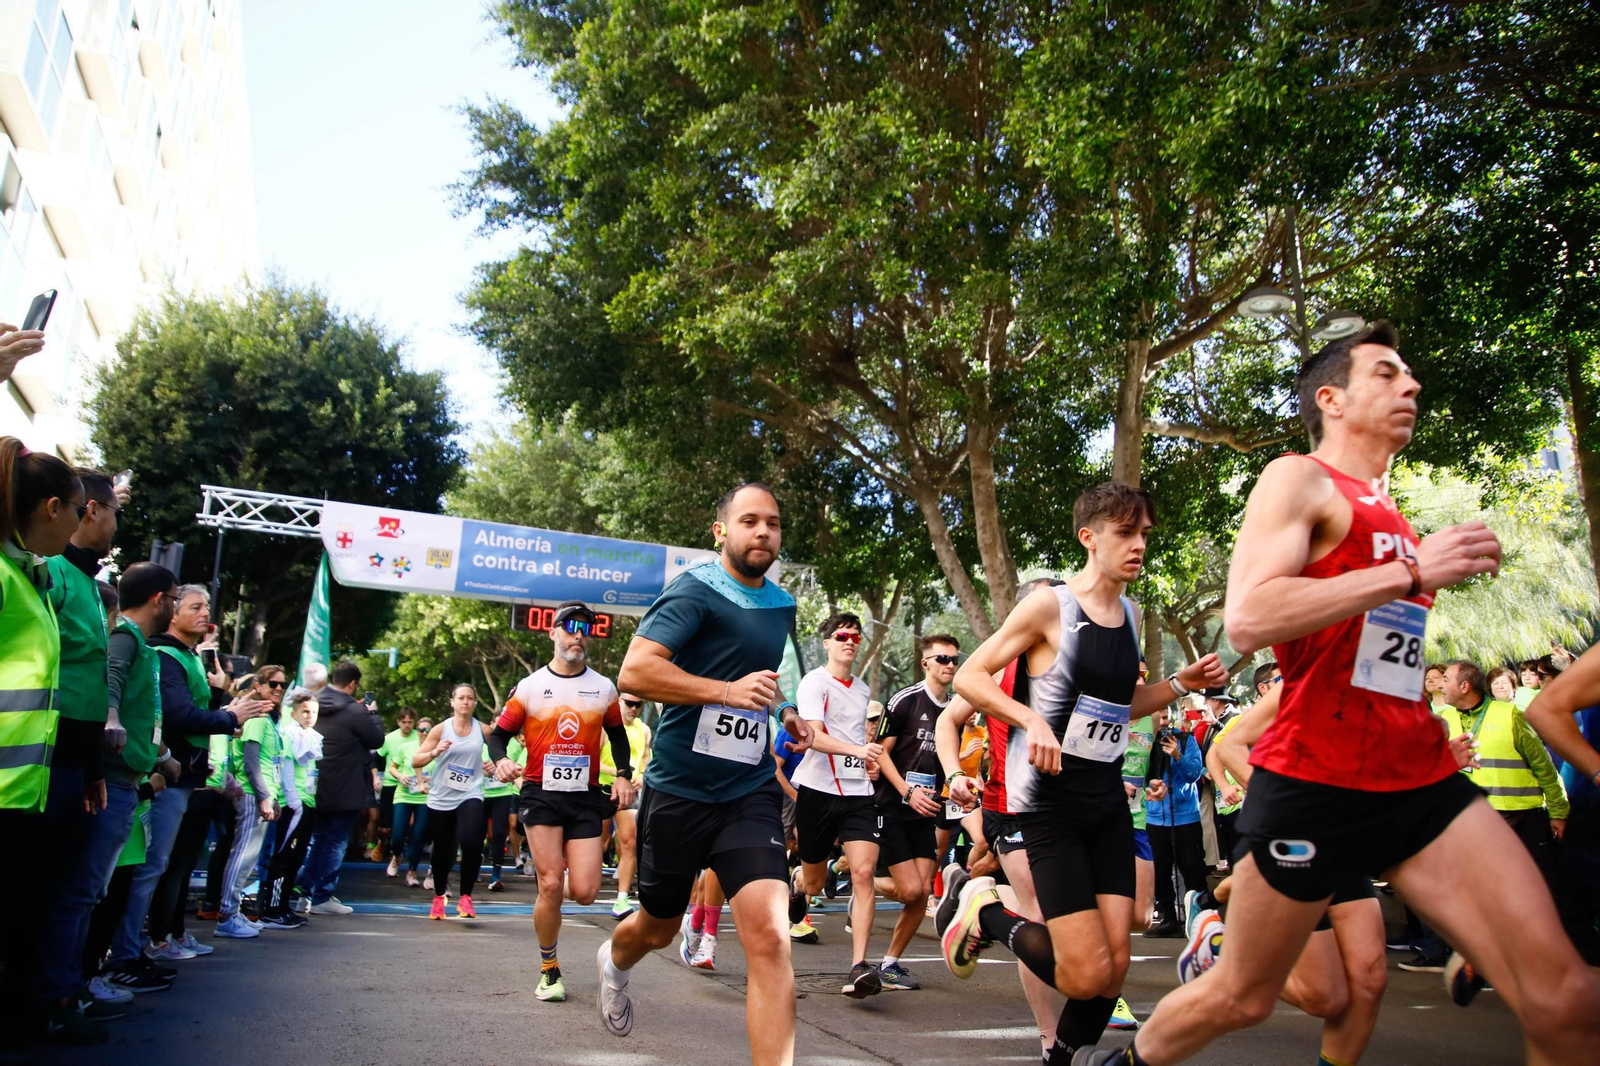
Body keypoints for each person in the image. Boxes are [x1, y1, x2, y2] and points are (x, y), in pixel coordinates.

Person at [1072, 321, 1600, 1066]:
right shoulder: (1299, 479)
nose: (1410, 384)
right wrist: (1411, 572)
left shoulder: (1389, 511)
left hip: (1417, 778)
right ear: (1333, 400)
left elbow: (1375, 656)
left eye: (1408, 373)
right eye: (1386, 373)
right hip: (1315, 786)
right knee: (1245, 996)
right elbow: (1249, 617)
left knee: (1565, 1001)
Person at [935, 481, 1226, 1065]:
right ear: (1089, 538)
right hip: (1050, 811)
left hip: (1106, 806)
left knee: (1113, 971)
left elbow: (1121, 706)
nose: (1139, 545)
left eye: (1144, 534)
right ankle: (982, 911)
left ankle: (1063, 1059)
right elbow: (969, 676)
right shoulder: (1051, 606)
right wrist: (1029, 719)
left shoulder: (1131, 613)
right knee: (1082, 972)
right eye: (1125, 533)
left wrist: (1178, 685)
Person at [598, 482, 811, 1065]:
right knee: (658, 929)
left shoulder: (781, 604)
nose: (763, 531)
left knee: (771, 937)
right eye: (749, 520)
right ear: (721, 532)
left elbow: (766, 679)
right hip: (681, 790)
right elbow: (635, 673)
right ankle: (613, 962)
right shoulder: (695, 588)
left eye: (772, 522)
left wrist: (787, 713)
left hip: (749, 791)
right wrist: (724, 692)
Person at [1191, 677, 1393, 1065]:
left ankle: (1211, 912)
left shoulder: (1385, 680)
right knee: (1323, 997)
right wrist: (1280, 802)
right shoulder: (1303, 683)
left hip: (1344, 843)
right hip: (1297, 843)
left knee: (1370, 977)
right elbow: (1227, 747)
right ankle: (1225, 952)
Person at [489, 602, 634, 1003]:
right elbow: (498, 736)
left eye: (585, 629)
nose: (578, 636)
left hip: (585, 796)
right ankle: (549, 969)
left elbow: (617, 736)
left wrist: (624, 773)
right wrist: (501, 761)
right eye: (570, 627)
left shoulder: (603, 688)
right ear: (552, 632)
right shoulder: (530, 686)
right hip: (541, 793)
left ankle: (552, 889)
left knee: (585, 891)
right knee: (551, 883)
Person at [0, 440, 90, 1042]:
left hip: (21, 792)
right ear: (52, 508)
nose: (82, 524)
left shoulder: (27, 577)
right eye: (79, 511)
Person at [1437, 659, 1599, 966]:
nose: (1441, 684)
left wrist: (1558, 812)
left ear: (1464, 686)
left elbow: (1544, 768)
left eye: (1446, 679)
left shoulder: (1510, 715)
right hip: (1475, 824)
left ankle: (1588, 958)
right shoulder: (1444, 719)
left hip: (1525, 820)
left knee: (1553, 891)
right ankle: (1497, 964)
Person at [145, 585, 269, 957]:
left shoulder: (187, 657)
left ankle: (170, 933)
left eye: (207, 606)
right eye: (195, 606)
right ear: (171, 611)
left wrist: (218, 699)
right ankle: (150, 941)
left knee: (178, 864)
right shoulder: (164, 654)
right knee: (158, 865)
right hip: (167, 775)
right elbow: (180, 716)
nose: (205, 613)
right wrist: (230, 716)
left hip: (191, 777)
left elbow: (196, 714)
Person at [92, 564, 186, 997]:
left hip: (131, 781)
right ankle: (82, 980)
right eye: (176, 599)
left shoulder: (143, 646)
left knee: (107, 886)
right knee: (91, 890)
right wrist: (110, 717)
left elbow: (145, 715)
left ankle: (90, 975)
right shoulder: (126, 637)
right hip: (115, 780)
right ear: (158, 600)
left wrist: (163, 757)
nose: (176, 607)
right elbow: (110, 679)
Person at [786, 613, 886, 997]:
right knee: (814, 881)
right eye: (842, 636)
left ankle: (859, 965)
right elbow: (813, 736)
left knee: (864, 873)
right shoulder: (815, 682)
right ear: (827, 642)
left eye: (856, 637)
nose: (850, 642)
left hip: (858, 794)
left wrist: (866, 761)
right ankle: (799, 882)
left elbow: (854, 738)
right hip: (818, 791)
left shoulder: (862, 689)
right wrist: (858, 751)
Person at [871, 634, 967, 992]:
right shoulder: (906, 700)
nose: (950, 665)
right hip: (892, 806)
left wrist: (960, 786)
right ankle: (863, 881)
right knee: (911, 890)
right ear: (925, 663)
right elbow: (880, 753)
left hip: (926, 810)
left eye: (954, 660)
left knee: (923, 890)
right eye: (942, 659)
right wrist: (907, 792)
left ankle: (890, 963)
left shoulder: (955, 711)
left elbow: (949, 758)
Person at [298, 662, 385, 915]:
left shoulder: (312, 703)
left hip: (314, 783)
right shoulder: (355, 710)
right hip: (346, 786)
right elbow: (376, 740)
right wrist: (373, 715)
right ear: (353, 684)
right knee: (335, 842)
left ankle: (304, 893)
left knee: (317, 841)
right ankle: (322, 896)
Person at [215, 666, 289, 937]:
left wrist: (272, 797)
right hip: (250, 794)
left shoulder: (267, 718)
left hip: (260, 795)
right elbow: (251, 762)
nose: (278, 688)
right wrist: (264, 797)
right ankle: (227, 916)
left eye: (282, 684)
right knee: (243, 855)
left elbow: (270, 764)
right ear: (258, 686)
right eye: (272, 683)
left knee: (248, 858)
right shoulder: (257, 717)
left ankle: (233, 912)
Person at [415, 683, 495, 921]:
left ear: (475, 702)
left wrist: (495, 765)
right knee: (443, 850)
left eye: (470, 698)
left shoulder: (483, 730)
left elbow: (500, 754)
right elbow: (416, 760)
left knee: (472, 841)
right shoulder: (441, 729)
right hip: (441, 797)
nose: (465, 702)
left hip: (470, 793)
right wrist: (434, 752)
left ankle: (466, 897)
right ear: (452, 702)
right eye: (461, 698)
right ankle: (439, 896)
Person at [1143, 707, 1207, 939]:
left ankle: (1201, 917)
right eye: (1157, 718)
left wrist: (1178, 756)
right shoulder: (1146, 743)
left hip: (1185, 817)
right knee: (1160, 872)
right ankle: (1169, 918)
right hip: (1155, 818)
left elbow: (1194, 774)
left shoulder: (1186, 740)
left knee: (1192, 869)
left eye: (1164, 718)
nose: (1161, 723)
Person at [261, 688, 322, 926]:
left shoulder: (312, 736)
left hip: (307, 802)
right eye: (305, 711)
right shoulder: (288, 735)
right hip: (293, 805)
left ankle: (284, 905)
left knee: (296, 858)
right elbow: (285, 771)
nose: (310, 716)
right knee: (283, 856)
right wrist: (294, 801)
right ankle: (272, 908)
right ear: (294, 713)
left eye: (313, 712)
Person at [600, 692, 652, 915]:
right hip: (602, 789)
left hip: (628, 793)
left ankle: (622, 897)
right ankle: (572, 877)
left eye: (638, 705)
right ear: (619, 702)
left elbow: (646, 756)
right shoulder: (605, 726)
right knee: (600, 844)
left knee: (630, 841)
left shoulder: (644, 729)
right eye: (630, 704)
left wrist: (641, 774)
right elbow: (592, 759)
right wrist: (620, 774)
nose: (634, 709)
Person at [380, 709, 428, 882]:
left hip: (424, 798)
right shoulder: (406, 747)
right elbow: (392, 767)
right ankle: (396, 855)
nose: (424, 733)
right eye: (421, 729)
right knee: (398, 835)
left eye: (427, 730)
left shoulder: (437, 750)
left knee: (418, 835)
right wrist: (400, 776)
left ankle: (412, 871)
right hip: (404, 794)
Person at [483, 730, 524, 892]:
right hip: (481, 794)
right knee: (478, 834)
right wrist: (484, 770)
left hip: (503, 793)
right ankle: (474, 866)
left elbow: (520, 769)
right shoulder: (479, 742)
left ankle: (496, 875)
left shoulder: (514, 745)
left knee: (499, 833)